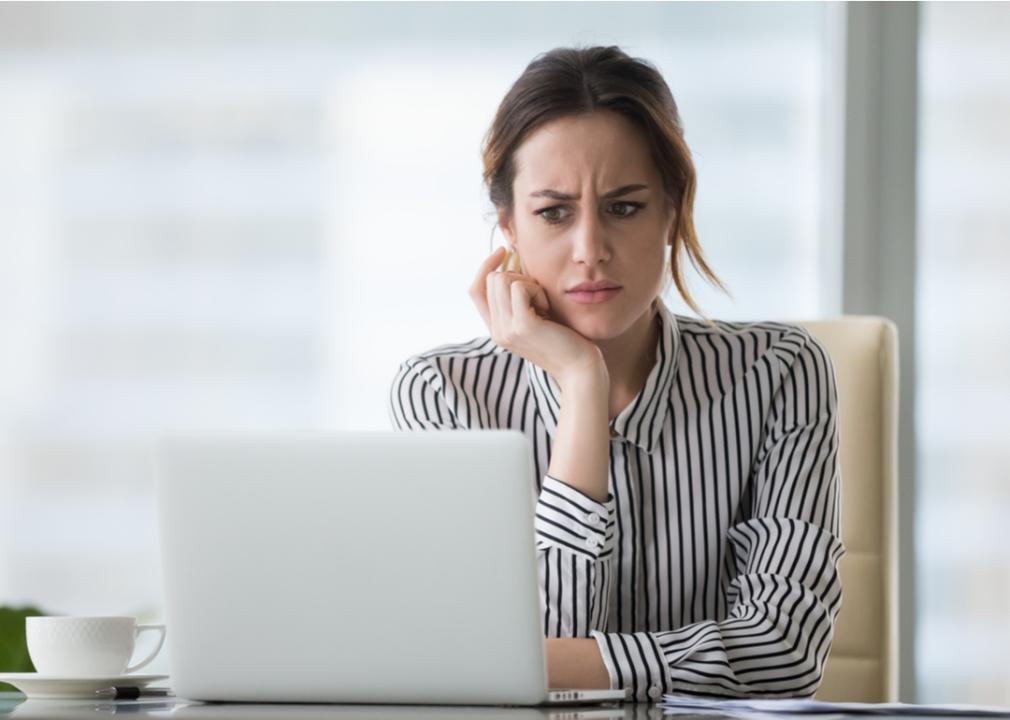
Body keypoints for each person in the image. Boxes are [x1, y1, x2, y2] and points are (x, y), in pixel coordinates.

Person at [388, 45, 845, 702]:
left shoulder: (780, 374)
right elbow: (536, 658)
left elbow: (782, 653)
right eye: (554, 212)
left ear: (672, 209)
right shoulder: (444, 394)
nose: (590, 251)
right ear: (508, 225)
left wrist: (545, 663)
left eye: (624, 207)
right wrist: (581, 386)